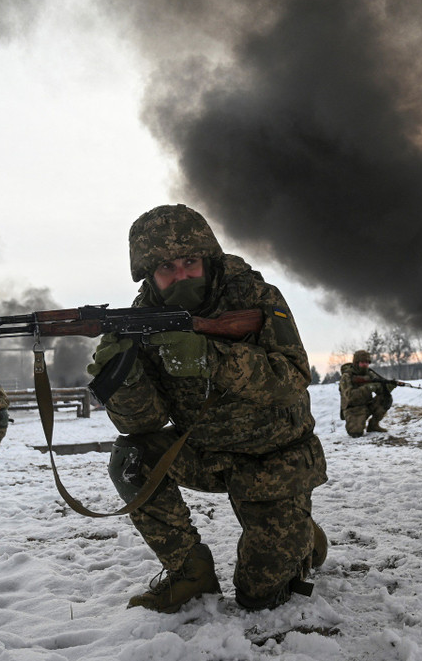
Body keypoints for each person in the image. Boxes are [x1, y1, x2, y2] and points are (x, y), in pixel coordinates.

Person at [86, 204, 328, 613]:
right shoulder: (141, 318)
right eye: (166, 268)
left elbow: (291, 380)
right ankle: (190, 573)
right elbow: (145, 422)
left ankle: (301, 533)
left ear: (207, 257)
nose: (181, 275)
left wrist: (209, 358)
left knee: (260, 598)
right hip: (205, 454)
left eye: (189, 262)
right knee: (132, 457)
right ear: (149, 274)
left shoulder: (254, 295)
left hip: (274, 460)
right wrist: (122, 377)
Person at [338, 350, 396, 437]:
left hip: (367, 405)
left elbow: (380, 390)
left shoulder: (369, 373)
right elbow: (350, 397)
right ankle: (358, 423)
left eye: (367, 363)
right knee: (356, 433)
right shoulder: (347, 376)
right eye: (362, 363)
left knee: (386, 398)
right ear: (356, 363)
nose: (365, 365)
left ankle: (373, 425)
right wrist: (369, 388)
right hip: (353, 409)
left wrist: (389, 386)